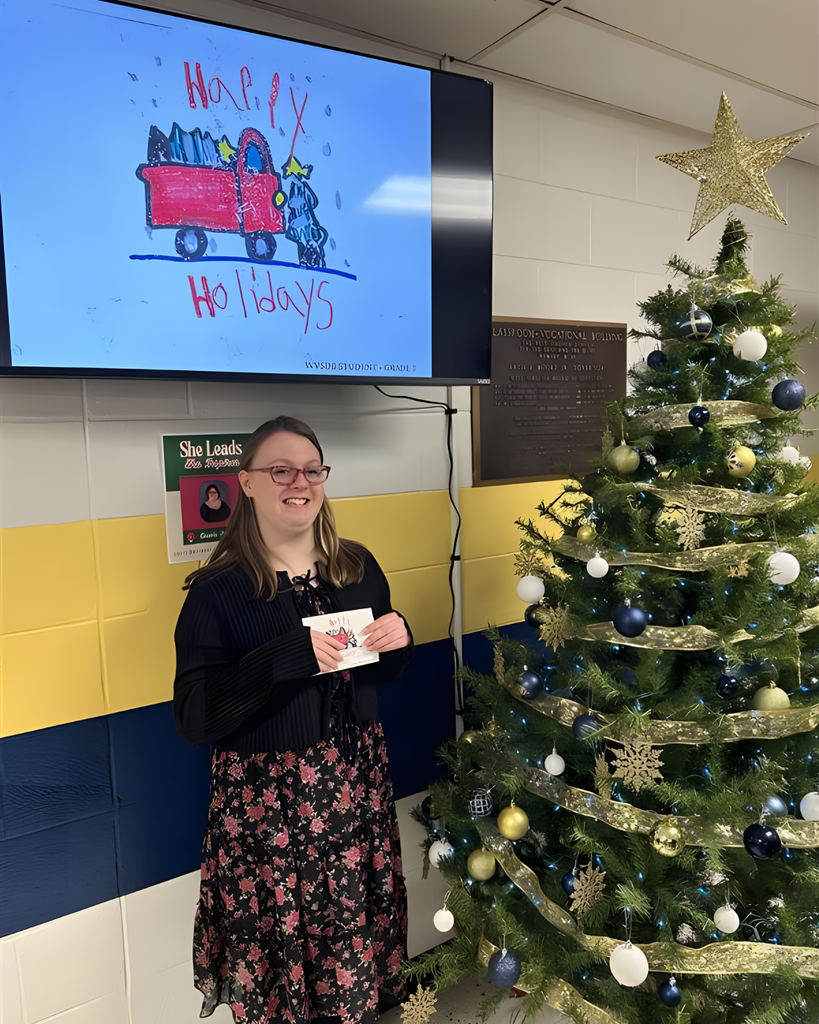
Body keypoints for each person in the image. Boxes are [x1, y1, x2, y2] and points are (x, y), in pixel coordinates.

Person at [174, 416, 412, 1024]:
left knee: (351, 929)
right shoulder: (217, 592)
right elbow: (195, 718)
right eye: (280, 470)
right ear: (246, 483)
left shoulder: (355, 567)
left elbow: (379, 675)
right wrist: (286, 658)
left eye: (311, 470)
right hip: (269, 803)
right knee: (282, 950)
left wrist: (398, 640)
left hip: (354, 786)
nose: (298, 482)